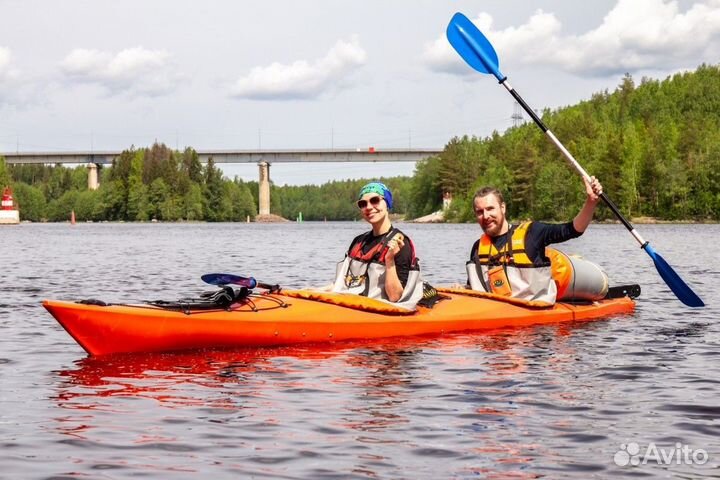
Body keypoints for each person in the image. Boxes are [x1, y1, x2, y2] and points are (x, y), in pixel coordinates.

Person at [466, 177, 604, 304]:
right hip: (496, 312)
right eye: (479, 212)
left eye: (490, 209)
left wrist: (591, 202)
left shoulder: (533, 233)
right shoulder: (478, 248)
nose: (485, 216)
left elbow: (572, 229)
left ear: (503, 208)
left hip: (536, 320)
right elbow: (474, 288)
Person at [331, 181, 424, 309]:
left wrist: (389, 261)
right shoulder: (358, 241)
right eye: (363, 204)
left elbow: (396, 297)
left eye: (375, 200)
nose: (368, 207)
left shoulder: (401, 243)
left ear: (387, 204)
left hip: (379, 311)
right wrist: (309, 292)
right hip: (352, 305)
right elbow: (340, 285)